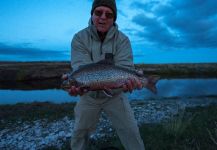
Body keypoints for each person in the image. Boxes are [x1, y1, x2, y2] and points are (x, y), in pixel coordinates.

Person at [64, 0, 145, 149]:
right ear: (92, 14)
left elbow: (126, 66)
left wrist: (131, 82)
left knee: (131, 132)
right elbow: (80, 67)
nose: (103, 17)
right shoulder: (79, 38)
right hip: (88, 97)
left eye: (109, 14)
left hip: (116, 95)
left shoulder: (123, 40)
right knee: (80, 133)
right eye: (98, 12)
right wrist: (78, 85)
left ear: (114, 19)